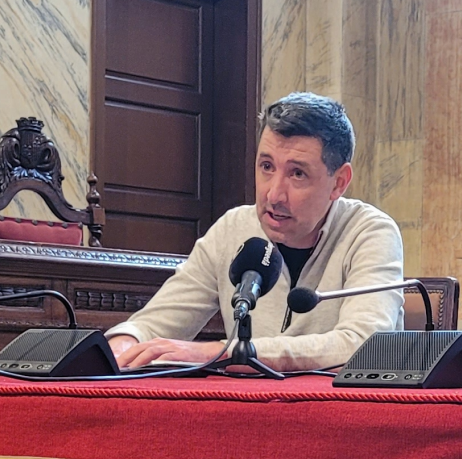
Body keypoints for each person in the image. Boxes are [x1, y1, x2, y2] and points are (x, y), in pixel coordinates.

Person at [107, 92, 403, 372]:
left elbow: (364, 346)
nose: (274, 195)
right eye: (266, 166)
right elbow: (154, 324)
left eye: (297, 174)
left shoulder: (370, 232)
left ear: (339, 182)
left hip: (338, 416)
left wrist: (227, 352)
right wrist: (122, 347)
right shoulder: (232, 229)